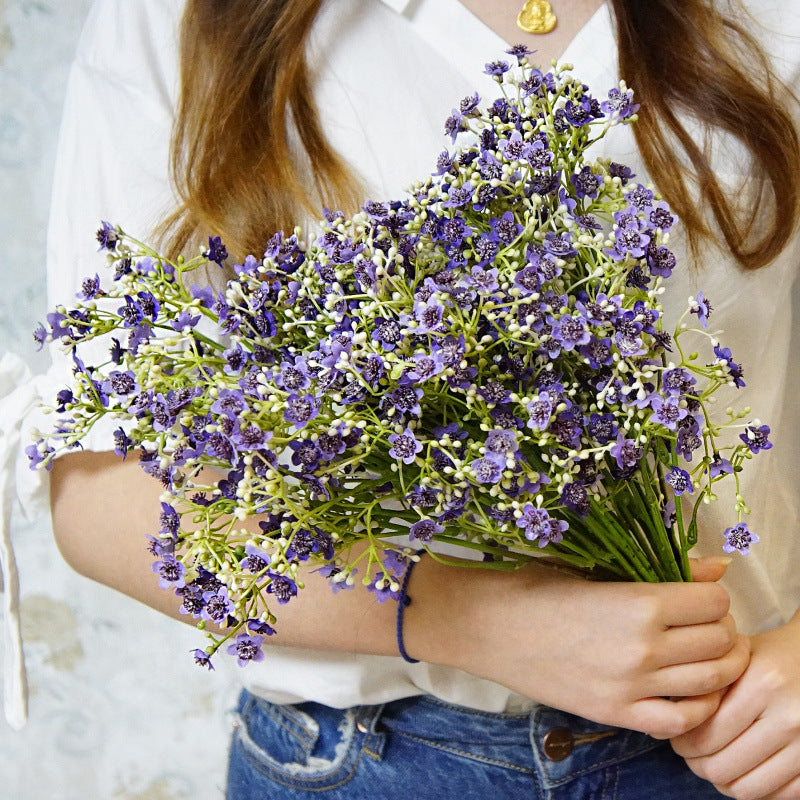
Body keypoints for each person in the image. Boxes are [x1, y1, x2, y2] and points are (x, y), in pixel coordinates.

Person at [36, 0, 800, 797]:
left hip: (734, 743)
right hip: (364, 765)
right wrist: (468, 618)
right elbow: (101, 492)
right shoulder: (177, 16)